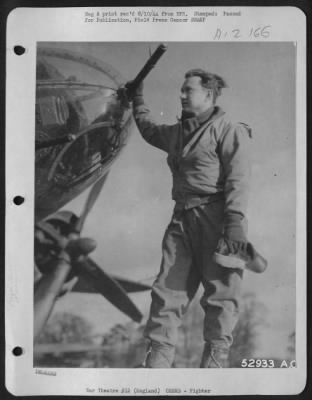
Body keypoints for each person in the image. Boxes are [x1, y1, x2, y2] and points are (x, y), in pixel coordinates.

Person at [128, 69, 254, 368]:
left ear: (208, 95)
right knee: (166, 290)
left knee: (221, 292)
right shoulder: (176, 133)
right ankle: (156, 364)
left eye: (188, 90)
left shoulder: (229, 129)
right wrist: (137, 99)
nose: (181, 95)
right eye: (181, 90)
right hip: (181, 218)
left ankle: (214, 365)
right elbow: (147, 128)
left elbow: (240, 179)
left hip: (220, 217)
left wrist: (234, 222)